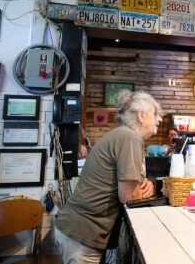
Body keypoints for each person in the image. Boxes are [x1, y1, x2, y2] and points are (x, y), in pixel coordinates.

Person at [55, 90, 163, 264]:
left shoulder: (122, 134)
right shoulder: (129, 137)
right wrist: (141, 192)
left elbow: (133, 184)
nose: (160, 119)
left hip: (80, 230)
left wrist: (146, 185)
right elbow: (129, 196)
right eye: (155, 114)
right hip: (83, 233)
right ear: (142, 116)